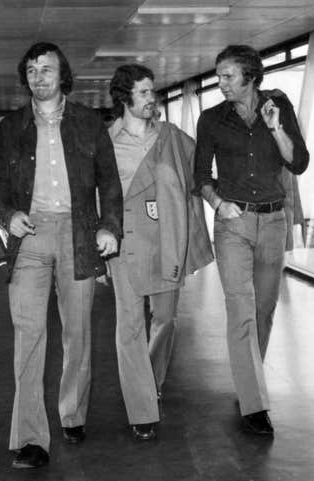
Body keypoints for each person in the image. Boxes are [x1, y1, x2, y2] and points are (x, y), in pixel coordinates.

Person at [0, 42, 122, 469]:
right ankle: (30, 438)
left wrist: (109, 226)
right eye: (31, 69)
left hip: (79, 234)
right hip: (29, 236)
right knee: (29, 335)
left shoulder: (88, 123)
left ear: (62, 75)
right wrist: (8, 215)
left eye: (46, 69)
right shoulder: (11, 127)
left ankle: (73, 411)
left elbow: (110, 182)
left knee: (77, 331)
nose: (38, 76)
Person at [193, 45, 309, 436]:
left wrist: (276, 127)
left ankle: (249, 379)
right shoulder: (211, 119)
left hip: (274, 220)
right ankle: (254, 402)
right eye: (219, 75)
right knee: (240, 309)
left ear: (251, 76)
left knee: (264, 309)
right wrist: (218, 204)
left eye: (228, 75)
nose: (221, 82)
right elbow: (200, 176)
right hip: (233, 224)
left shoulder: (279, 106)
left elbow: (299, 162)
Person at [107, 64, 213, 441]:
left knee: (165, 318)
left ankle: (149, 378)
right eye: (143, 93)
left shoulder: (172, 137)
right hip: (125, 242)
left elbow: (201, 169)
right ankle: (141, 406)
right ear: (124, 99)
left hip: (167, 240)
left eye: (153, 92)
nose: (152, 99)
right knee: (130, 325)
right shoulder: (107, 142)